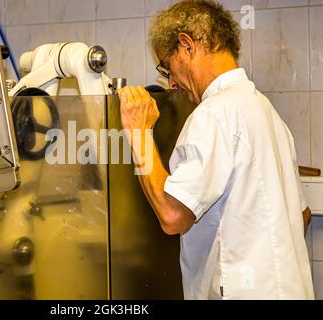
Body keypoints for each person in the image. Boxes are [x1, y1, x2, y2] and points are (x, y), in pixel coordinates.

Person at [117, 0, 314, 300]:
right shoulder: (266, 111)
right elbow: (303, 215)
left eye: (166, 66)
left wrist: (139, 133)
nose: (170, 82)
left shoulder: (215, 114)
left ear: (187, 46)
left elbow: (172, 215)